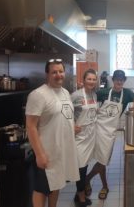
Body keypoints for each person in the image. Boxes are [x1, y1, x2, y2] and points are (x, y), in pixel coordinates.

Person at [25, 58, 79, 207]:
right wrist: (40, 154)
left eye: (61, 71)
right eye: (54, 72)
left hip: (61, 150)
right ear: (47, 74)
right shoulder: (38, 95)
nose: (58, 75)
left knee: (57, 184)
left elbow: (63, 115)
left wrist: (71, 126)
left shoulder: (66, 93)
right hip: (47, 151)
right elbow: (30, 126)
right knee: (41, 189)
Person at [85, 69, 134, 200]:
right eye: (117, 79)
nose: (119, 81)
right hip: (98, 128)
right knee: (100, 159)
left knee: (103, 159)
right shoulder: (104, 92)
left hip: (110, 131)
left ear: (124, 81)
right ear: (113, 80)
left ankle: (86, 180)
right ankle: (104, 186)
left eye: (121, 79)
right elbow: (88, 97)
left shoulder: (128, 93)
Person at [71, 69, 98, 207]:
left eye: (94, 79)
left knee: (85, 165)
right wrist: (71, 127)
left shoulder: (94, 94)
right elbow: (65, 114)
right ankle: (81, 199)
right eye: (89, 79)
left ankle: (78, 194)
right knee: (80, 169)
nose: (92, 82)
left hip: (90, 135)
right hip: (80, 137)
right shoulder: (75, 96)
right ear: (83, 80)